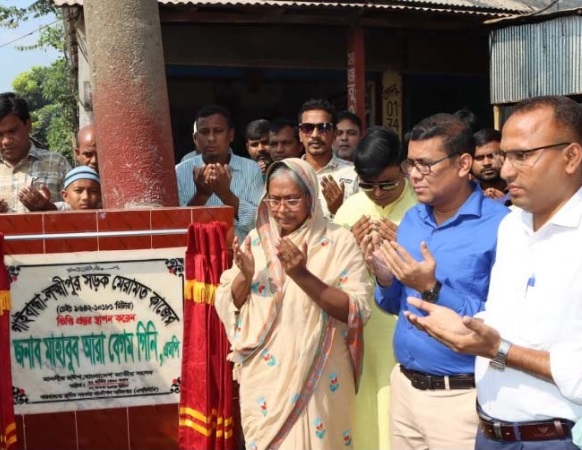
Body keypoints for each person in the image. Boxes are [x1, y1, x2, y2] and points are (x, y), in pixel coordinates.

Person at [405, 95, 582, 450]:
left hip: (555, 440)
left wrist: (499, 349)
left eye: (522, 156)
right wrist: (465, 325)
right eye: (505, 156)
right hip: (490, 434)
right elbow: (506, 318)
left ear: (571, 157)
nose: (505, 171)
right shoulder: (512, 226)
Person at [370, 113, 509, 449]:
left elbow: (504, 324)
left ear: (463, 164)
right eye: (410, 164)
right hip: (404, 387)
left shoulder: (502, 227)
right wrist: (385, 277)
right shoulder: (412, 219)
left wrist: (432, 289)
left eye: (425, 164)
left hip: (460, 397)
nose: (414, 175)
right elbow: (391, 306)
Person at [215, 158, 371, 449]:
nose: (281, 209)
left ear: (311, 197)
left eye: (291, 200)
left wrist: (301, 274)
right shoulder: (257, 240)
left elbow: (356, 309)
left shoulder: (339, 241)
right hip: (266, 382)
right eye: (274, 200)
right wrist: (245, 276)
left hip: (320, 374)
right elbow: (228, 303)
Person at [333, 126, 418, 450]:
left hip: (406, 326)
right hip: (363, 333)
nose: (379, 194)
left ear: (404, 169)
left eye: (388, 184)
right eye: (368, 186)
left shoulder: (422, 208)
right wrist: (347, 247)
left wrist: (404, 244)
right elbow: (328, 277)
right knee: (365, 410)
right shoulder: (350, 210)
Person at [0, 92, 72, 214]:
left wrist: (49, 208)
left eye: (13, 131)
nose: (6, 141)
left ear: (28, 125)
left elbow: (79, 208)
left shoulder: (56, 163)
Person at [175, 105, 264, 242]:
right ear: (195, 139)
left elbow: (259, 222)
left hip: (241, 256)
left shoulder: (251, 169)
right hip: (196, 255)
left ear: (231, 135)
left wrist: (226, 195)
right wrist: (201, 195)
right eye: (204, 132)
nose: (211, 138)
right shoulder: (180, 171)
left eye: (218, 131)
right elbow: (177, 226)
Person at [298, 98, 359, 218]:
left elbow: (363, 222)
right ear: (300, 134)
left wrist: (339, 210)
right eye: (307, 128)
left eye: (323, 127)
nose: (315, 135)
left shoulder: (353, 173)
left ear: (334, 134)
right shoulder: (288, 172)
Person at [472, 128, 508, 200]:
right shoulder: (465, 195)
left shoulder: (523, 191)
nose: (487, 163)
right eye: (479, 158)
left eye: (492, 156)